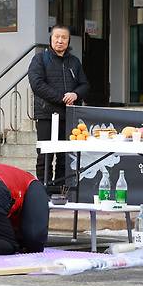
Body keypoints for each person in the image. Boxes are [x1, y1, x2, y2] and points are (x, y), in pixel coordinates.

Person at [28, 25, 89, 184]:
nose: (60, 41)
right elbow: (37, 84)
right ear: (51, 38)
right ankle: (43, 190)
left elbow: (84, 85)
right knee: (45, 155)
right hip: (46, 114)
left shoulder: (74, 62)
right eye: (57, 37)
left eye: (64, 38)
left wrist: (75, 94)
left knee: (64, 155)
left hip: (68, 114)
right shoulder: (40, 59)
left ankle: (61, 189)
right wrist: (62, 98)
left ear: (68, 41)